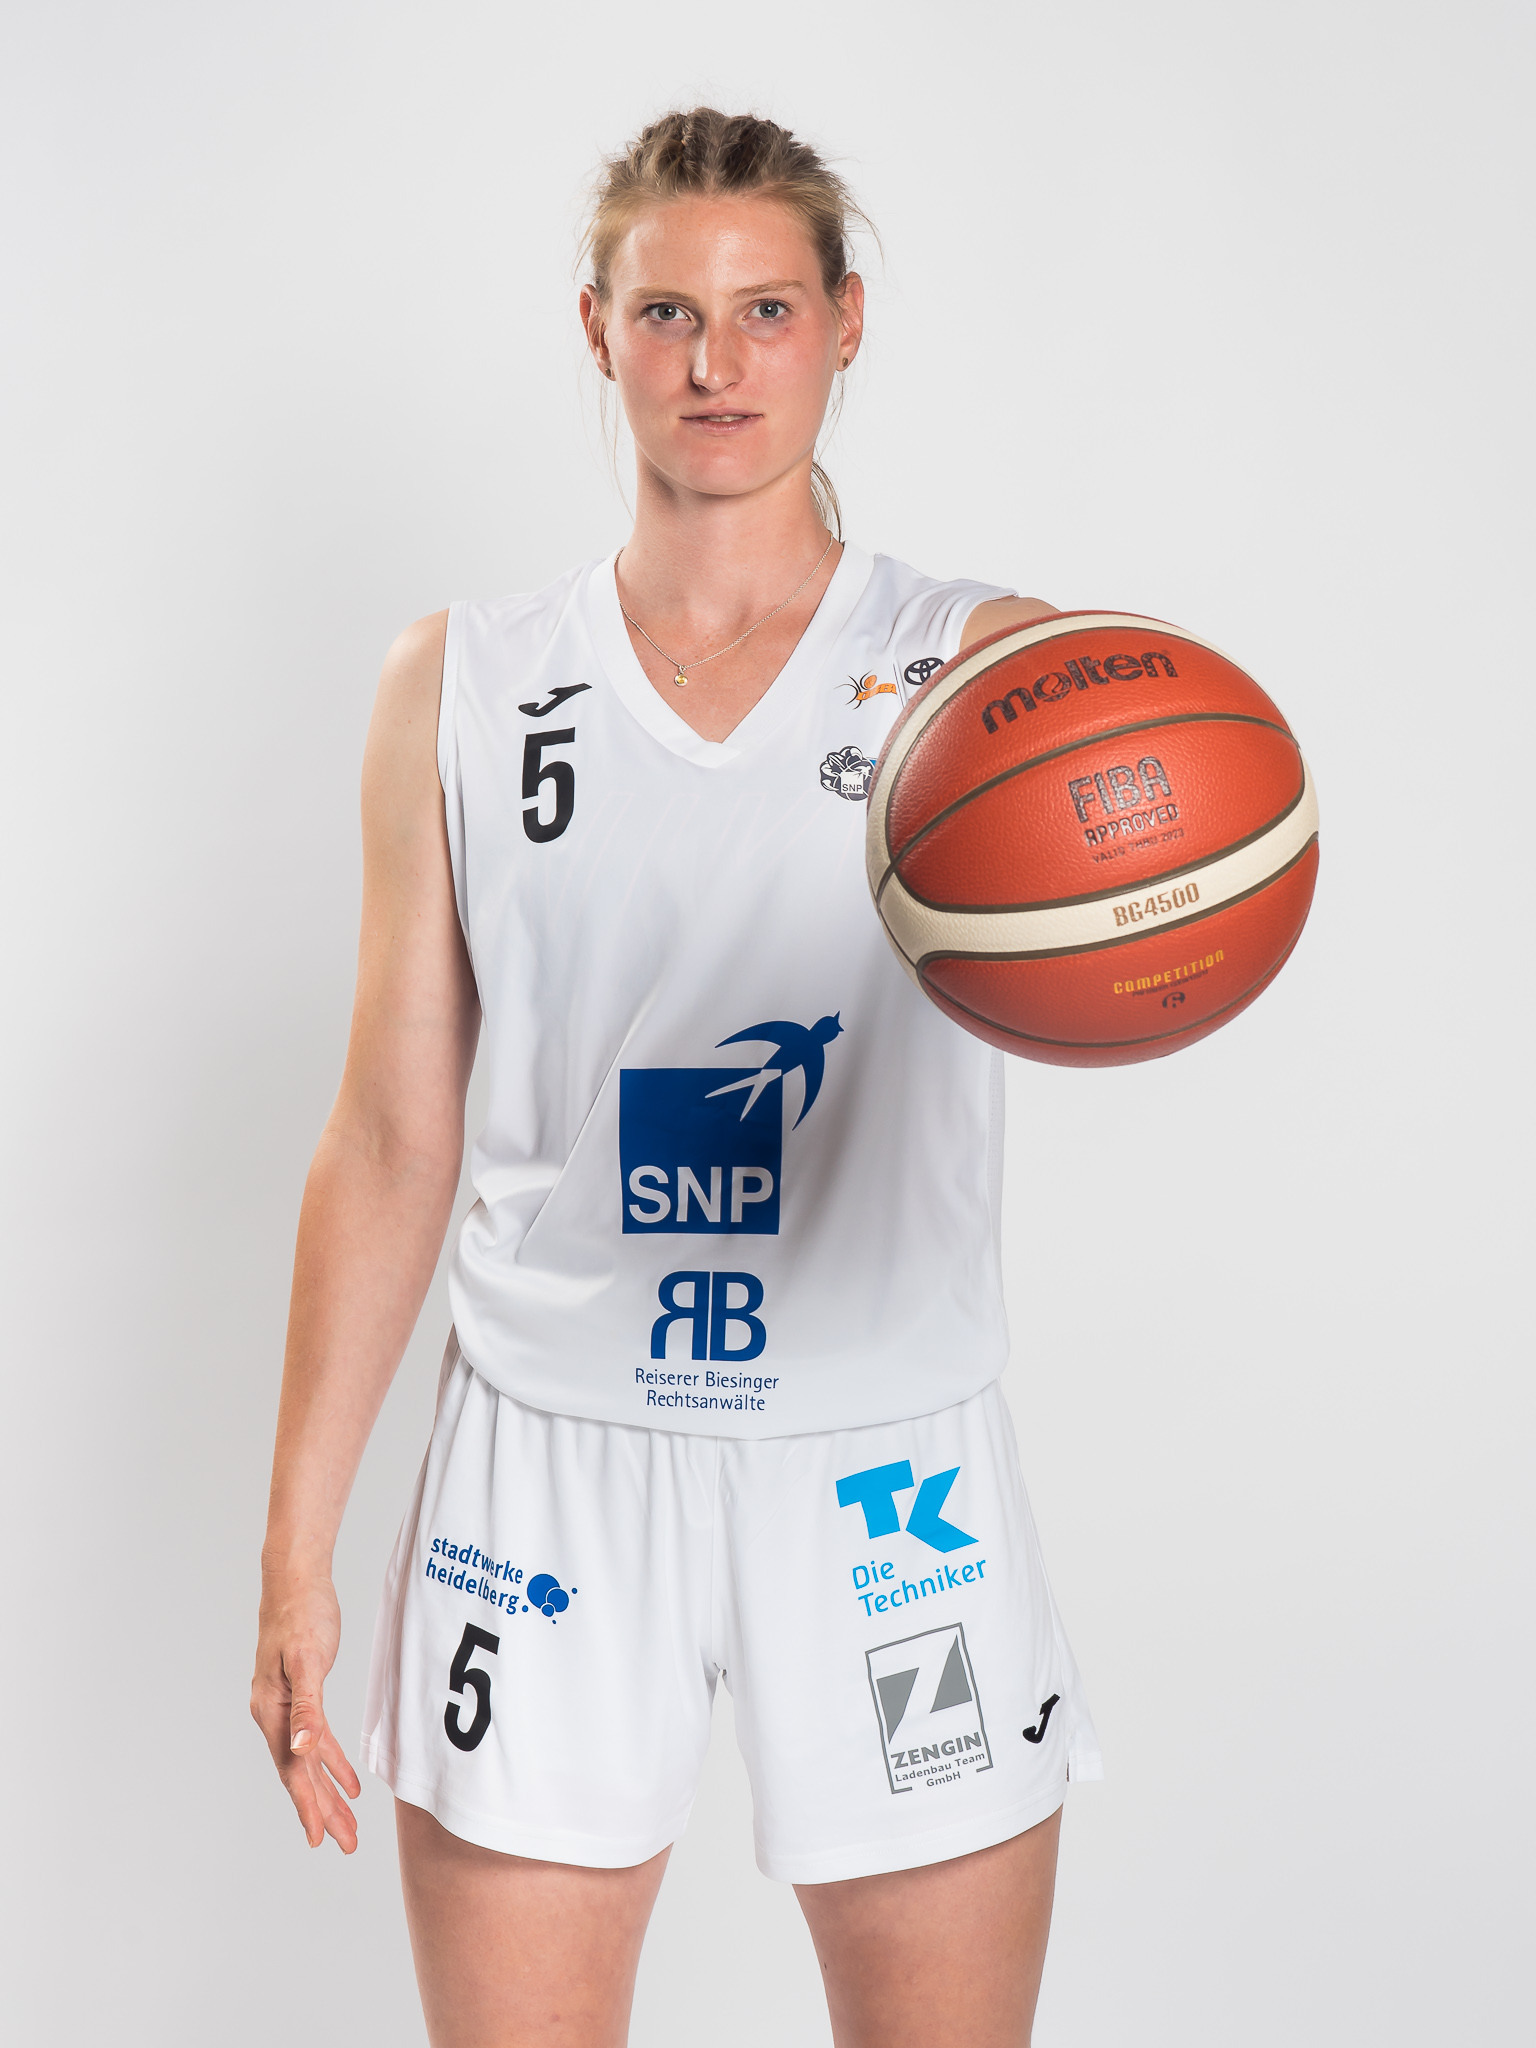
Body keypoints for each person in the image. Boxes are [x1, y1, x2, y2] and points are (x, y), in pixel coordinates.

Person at [251, 106, 1101, 2048]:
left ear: (846, 324)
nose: (717, 363)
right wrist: (296, 1549)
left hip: (882, 1463)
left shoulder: (985, 674)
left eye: (767, 310)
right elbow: (388, 1135)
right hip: (549, 1463)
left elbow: (1141, 934)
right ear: (598, 329)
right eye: (668, 313)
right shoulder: (461, 681)